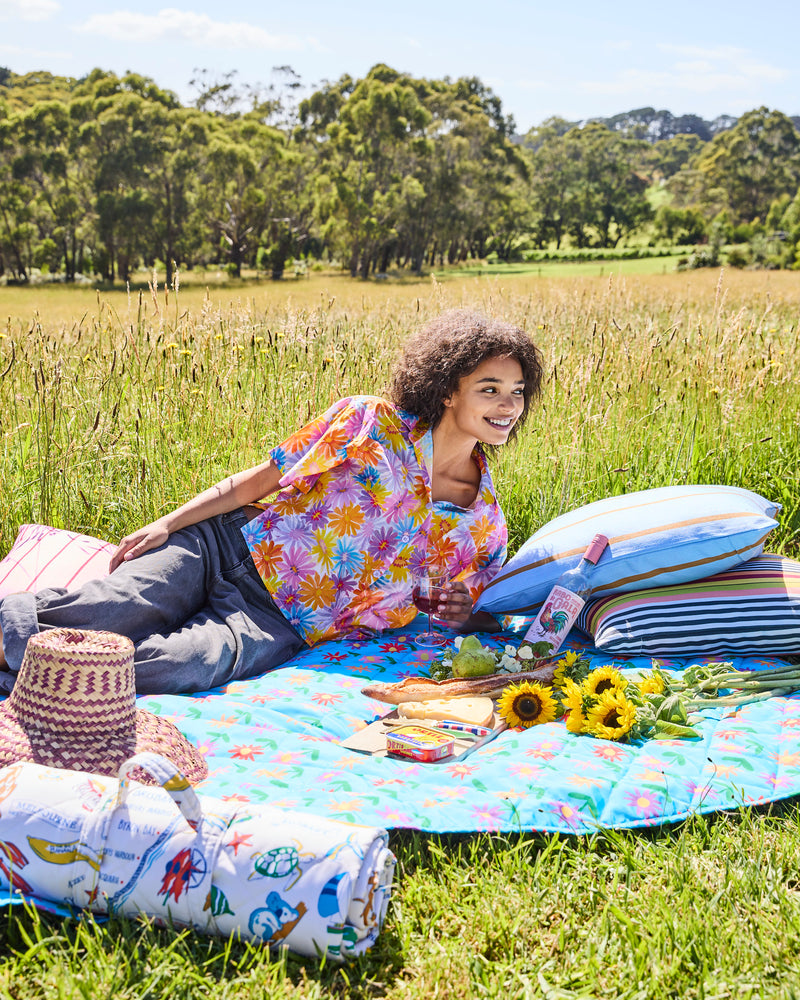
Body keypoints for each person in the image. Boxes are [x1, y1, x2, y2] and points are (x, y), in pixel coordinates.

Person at [0, 309, 544, 695]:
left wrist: (466, 614)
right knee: (113, 609)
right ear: (448, 390)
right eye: (490, 388)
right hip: (226, 547)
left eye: (517, 391)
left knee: (183, 665)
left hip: (277, 620)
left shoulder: (484, 522)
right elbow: (259, 481)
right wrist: (167, 523)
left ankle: (37, 677)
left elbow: (471, 608)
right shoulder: (369, 422)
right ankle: (11, 639)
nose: (508, 405)